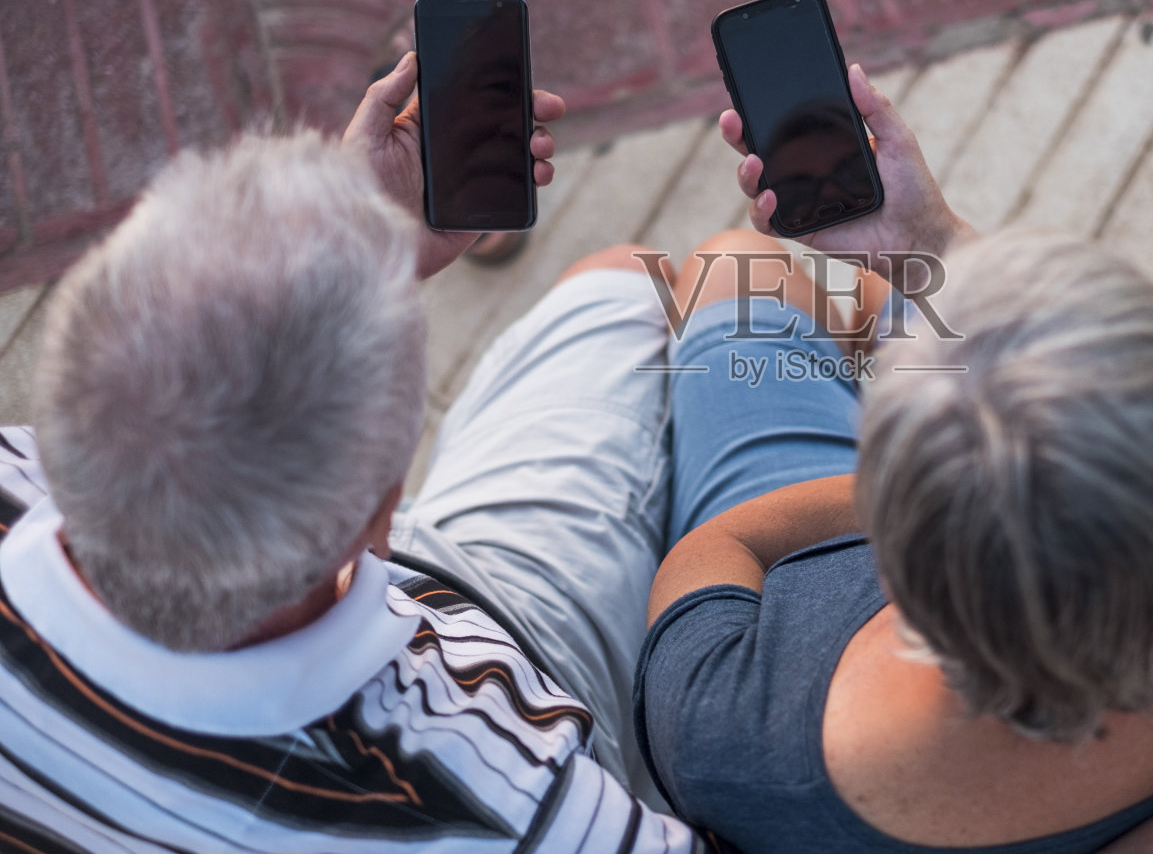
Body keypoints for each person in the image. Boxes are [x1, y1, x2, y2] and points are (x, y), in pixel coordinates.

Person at [632, 63, 1153, 853]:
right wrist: (929, 240)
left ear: (894, 566)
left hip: (804, 533)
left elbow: (716, 549)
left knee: (736, 267)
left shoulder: (743, 742)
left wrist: (899, 493)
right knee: (889, 301)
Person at [0, 53, 704, 851]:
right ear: (380, 514)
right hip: (522, 644)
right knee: (640, 282)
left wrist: (351, 247)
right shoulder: (509, 801)